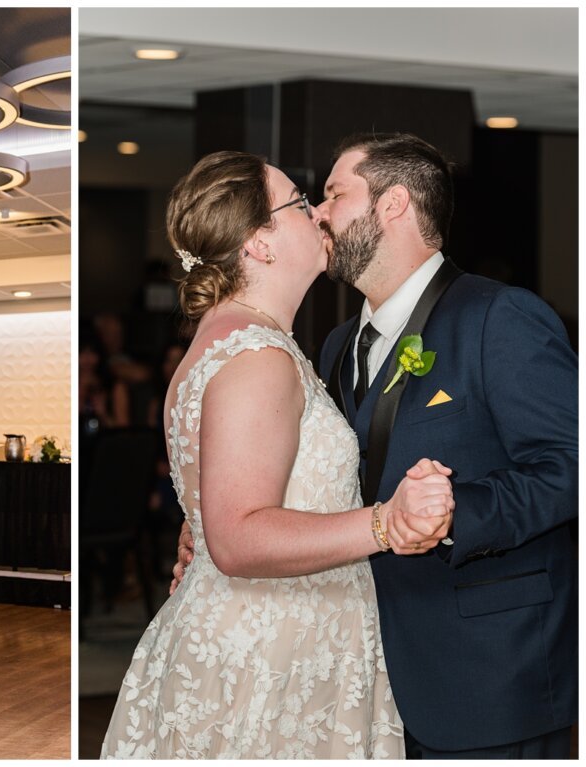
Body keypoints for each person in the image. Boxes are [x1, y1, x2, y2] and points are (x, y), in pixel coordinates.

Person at [174, 134, 578, 759]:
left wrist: (451, 515)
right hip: (348, 668)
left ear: (393, 206)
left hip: (485, 673)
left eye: (334, 193)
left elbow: (570, 466)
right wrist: (213, 523)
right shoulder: (334, 346)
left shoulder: (499, 317)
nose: (320, 212)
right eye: (311, 199)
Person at [100, 151, 455, 759]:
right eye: (298, 201)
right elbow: (239, 540)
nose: (318, 211)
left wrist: (203, 528)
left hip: (286, 637)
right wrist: (385, 522)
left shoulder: (240, 342)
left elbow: (229, 511)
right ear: (258, 245)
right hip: (269, 655)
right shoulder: (256, 356)